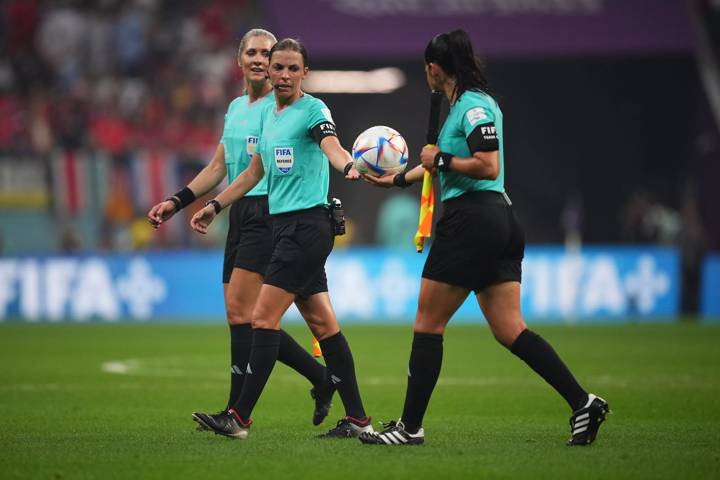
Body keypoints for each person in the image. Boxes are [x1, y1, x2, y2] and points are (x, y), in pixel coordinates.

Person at [358, 30, 608, 446]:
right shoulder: (471, 104)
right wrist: (397, 179)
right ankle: (583, 403)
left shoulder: (471, 107)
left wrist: (439, 157)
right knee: (511, 329)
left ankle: (409, 427)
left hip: (473, 220)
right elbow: (447, 165)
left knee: (427, 323)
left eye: (427, 70)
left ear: (436, 69)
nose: (427, 77)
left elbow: (486, 165)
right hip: (498, 221)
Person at [147, 29, 335, 431]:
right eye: (251, 52)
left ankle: (239, 412)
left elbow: (262, 168)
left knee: (247, 314)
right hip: (238, 212)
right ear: (239, 59)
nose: (258, 59)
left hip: (271, 210)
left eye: (266, 53)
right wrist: (178, 201)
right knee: (240, 316)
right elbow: (219, 166)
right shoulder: (235, 109)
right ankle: (309, 382)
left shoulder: (281, 108)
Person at [188, 38, 373, 440]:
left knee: (262, 319)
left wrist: (348, 166)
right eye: (279, 68)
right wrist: (215, 206)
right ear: (268, 72)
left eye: (293, 68)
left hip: (306, 228)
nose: (285, 75)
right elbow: (254, 172)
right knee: (324, 324)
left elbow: (332, 146)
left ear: (305, 72)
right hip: (284, 227)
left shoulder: (313, 110)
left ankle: (238, 418)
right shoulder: (269, 118)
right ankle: (359, 419)